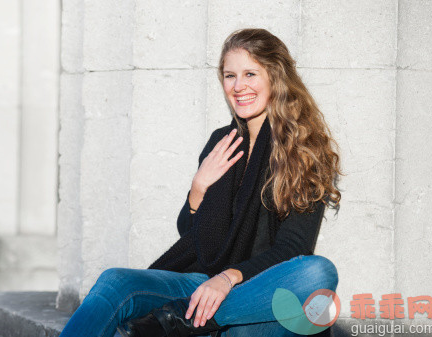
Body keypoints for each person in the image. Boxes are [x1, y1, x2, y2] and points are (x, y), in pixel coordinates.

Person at [58, 28, 342, 337]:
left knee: (318, 273)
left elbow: (293, 247)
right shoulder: (222, 141)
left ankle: (186, 321)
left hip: (257, 291)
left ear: (275, 76)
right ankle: (192, 319)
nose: (238, 86)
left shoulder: (304, 149)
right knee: (115, 281)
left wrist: (228, 278)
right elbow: (191, 236)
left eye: (250, 74)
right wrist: (198, 187)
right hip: (201, 282)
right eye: (229, 75)